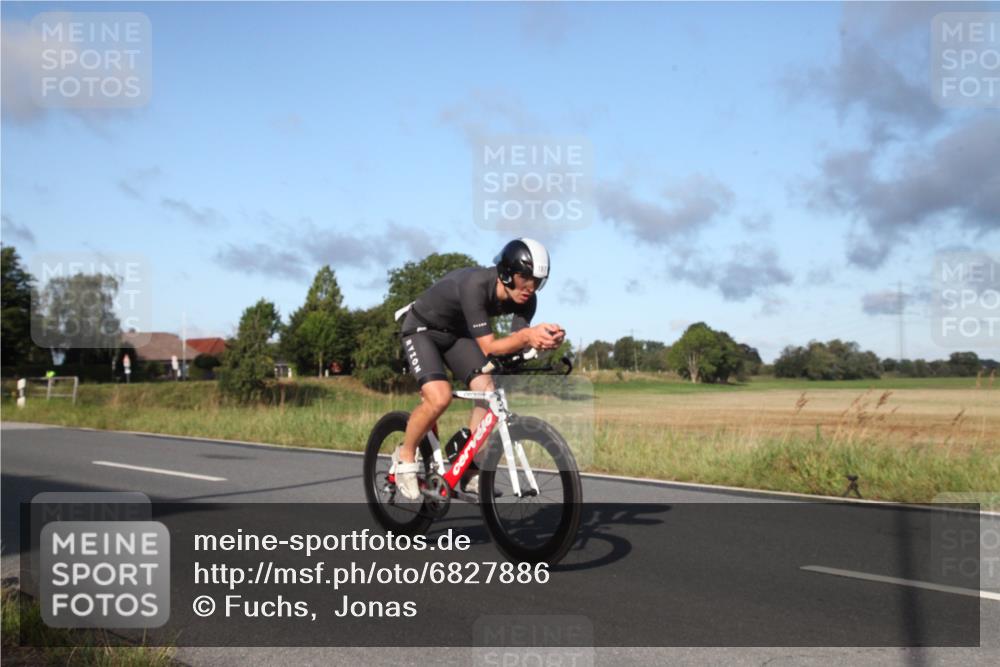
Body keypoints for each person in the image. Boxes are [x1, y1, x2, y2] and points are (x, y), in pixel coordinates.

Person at [393, 238, 566, 499]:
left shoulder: (527, 300)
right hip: (422, 329)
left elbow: (515, 342)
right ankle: (405, 456)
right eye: (524, 278)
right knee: (439, 397)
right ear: (506, 273)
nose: (530, 288)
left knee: (488, 391)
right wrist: (527, 337)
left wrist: (541, 343)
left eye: (537, 281)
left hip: (457, 335)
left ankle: (469, 469)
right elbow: (489, 347)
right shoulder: (475, 285)